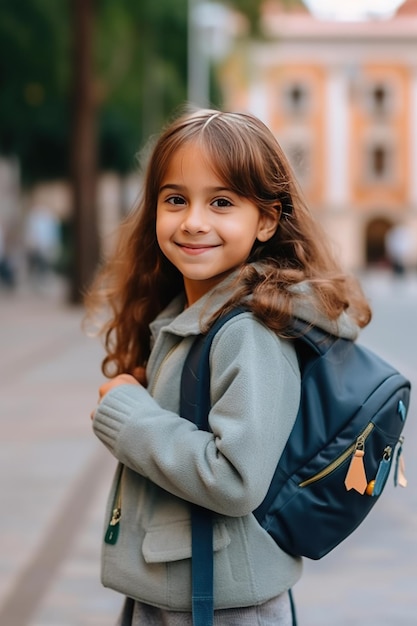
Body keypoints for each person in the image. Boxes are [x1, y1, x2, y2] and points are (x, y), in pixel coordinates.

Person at [86, 108, 372, 626]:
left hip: (221, 606)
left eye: (221, 202)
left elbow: (236, 478)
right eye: (176, 199)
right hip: (183, 588)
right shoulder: (194, 314)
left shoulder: (249, 329)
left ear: (265, 219)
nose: (193, 220)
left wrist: (128, 417)